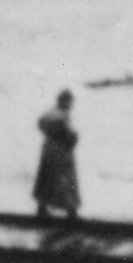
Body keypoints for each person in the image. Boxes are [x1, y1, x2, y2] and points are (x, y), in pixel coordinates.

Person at [32, 90, 82, 221]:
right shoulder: (62, 116)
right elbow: (68, 134)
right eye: (69, 102)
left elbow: (41, 124)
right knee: (66, 182)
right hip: (62, 153)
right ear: (65, 102)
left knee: (47, 180)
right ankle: (71, 211)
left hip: (49, 150)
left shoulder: (50, 113)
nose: (71, 105)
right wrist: (73, 138)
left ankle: (42, 207)